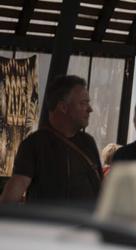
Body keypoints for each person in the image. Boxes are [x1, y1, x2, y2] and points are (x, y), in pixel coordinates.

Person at [1, 75, 102, 206]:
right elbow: (16, 189)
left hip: (87, 219)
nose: (90, 109)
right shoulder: (34, 144)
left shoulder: (88, 142)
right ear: (63, 107)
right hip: (48, 219)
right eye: (83, 103)